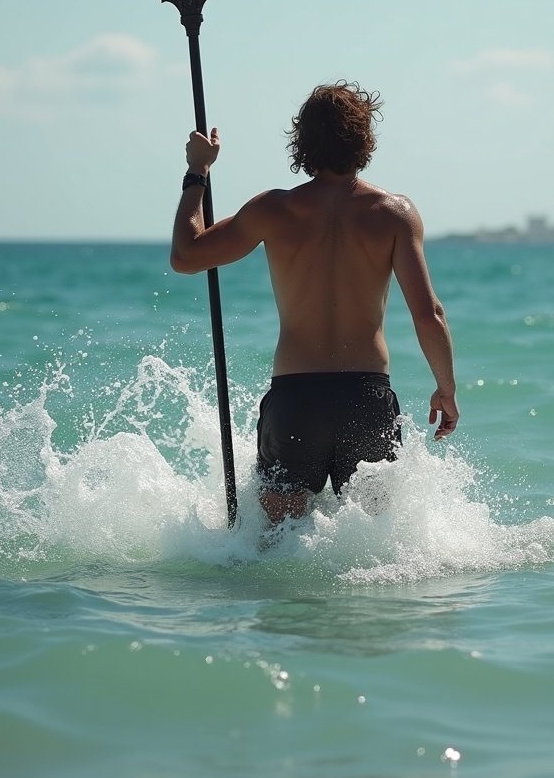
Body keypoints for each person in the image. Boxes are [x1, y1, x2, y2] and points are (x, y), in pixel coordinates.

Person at [170, 81, 459, 527]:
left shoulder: (274, 209)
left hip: (297, 400)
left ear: (303, 142)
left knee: (275, 552)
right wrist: (446, 388)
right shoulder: (394, 213)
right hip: (366, 399)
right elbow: (429, 314)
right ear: (365, 140)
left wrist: (197, 173)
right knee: (372, 552)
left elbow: (186, 256)